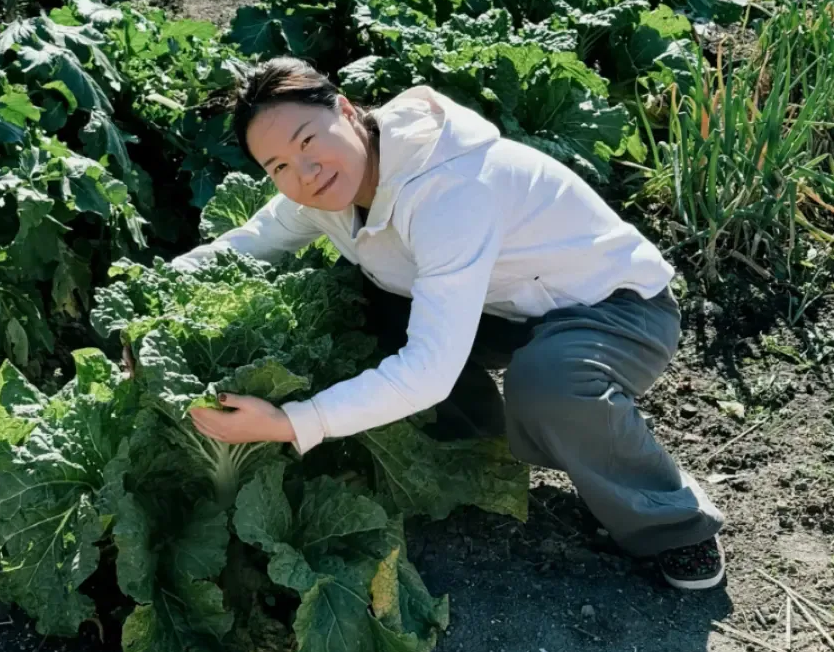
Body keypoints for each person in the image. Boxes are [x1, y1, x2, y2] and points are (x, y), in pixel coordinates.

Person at [175, 56, 726, 591]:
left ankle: (670, 520)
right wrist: (152, 301)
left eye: (307, 141)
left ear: (344, 110)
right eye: (278, 167)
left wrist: (293, 422)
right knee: (363, 308)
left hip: (615, 309)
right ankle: (476, 449)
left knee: (548, 385)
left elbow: (429, 370)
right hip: (501, 308)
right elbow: (249, 244)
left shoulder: (450, 188)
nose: (304, 172)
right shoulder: (328, 190)